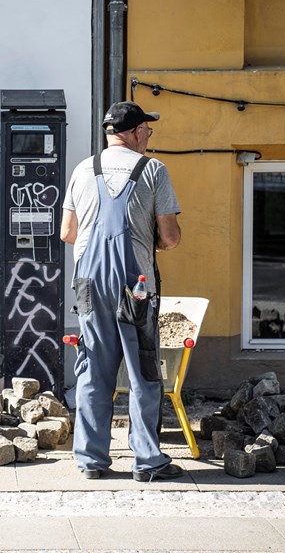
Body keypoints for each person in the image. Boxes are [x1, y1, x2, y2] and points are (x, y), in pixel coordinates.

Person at [59, 101, 183, 482]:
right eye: (147, 129)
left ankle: (91, 461)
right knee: (143, 369)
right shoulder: (152, 171)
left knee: (93, 368)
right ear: (135, 132)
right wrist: (150, 243)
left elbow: (67, 233)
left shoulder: (82, 169)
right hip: (136, 289)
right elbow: (171, 237)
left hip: (87, 286)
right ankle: (147, 461)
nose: (148, 135)